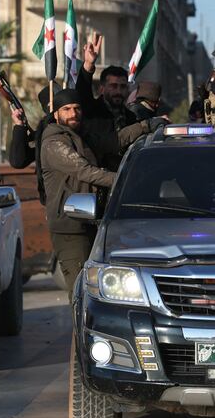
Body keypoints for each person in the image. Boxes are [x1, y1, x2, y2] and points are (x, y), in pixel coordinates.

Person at [40, 90, 167, 297]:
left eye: (77, 108)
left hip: (93, 222)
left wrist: (145, 126)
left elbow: (115, 141)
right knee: (80, 291)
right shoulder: (54, 143)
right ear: (56, 114)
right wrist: (127, 180)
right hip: (70, 228)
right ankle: (78, 330)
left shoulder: (81, 136)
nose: (73, 113)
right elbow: (85, 171)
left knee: (100, 291)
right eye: (67, 109)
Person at [77, 34, 137, 130]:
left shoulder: (131, 118)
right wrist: (88, 64)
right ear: (102, 89)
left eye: (122, 87)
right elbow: (82, 91)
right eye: (113, 86)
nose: (118, 91)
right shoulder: (92, 111)